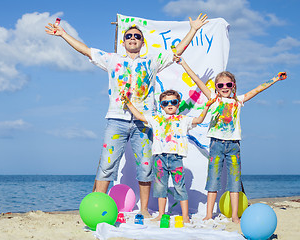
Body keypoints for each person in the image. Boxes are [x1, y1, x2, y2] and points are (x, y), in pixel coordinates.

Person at [45, 14, 208, 217]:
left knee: (146, 166)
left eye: (137, 36)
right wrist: (63, 34)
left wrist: (193, 30)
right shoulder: (112, 60)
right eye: (129, 35)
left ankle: (145, 210)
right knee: (107, 164)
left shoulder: (152, 61)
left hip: (144, 122)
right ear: (123, 41)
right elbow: (85, 50)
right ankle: (99, 206)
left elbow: (177, 50)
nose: (133, 38)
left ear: (142, 42)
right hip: (116, 120)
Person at [178, 57, 287, 223]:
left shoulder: (238, 101)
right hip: (215, 144)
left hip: (234, 146)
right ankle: (209, 214)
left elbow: (257, 90)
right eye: (220, 85)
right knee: (213, 180)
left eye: (228, 84)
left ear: (233, 86)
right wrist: (183, 63)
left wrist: (275, 79)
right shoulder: (213, 99)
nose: (224, 88)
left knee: (234, 182)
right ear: (216, 87)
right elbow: (197, 81)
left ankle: (235, 215)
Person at [122, 90, 215, 222]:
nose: (170, 105)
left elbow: (199, 120)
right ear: (161, 106)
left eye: (173, 102)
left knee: (180, 187)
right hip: (159, 158)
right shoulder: (156, 119)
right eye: (166, 103)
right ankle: (161, 214)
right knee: (160, 188)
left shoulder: (183, 120)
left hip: (176, 158)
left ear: (178, 104)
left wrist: (207, 106)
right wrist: (128, 103)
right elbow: (140, 117)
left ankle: (185, 216)